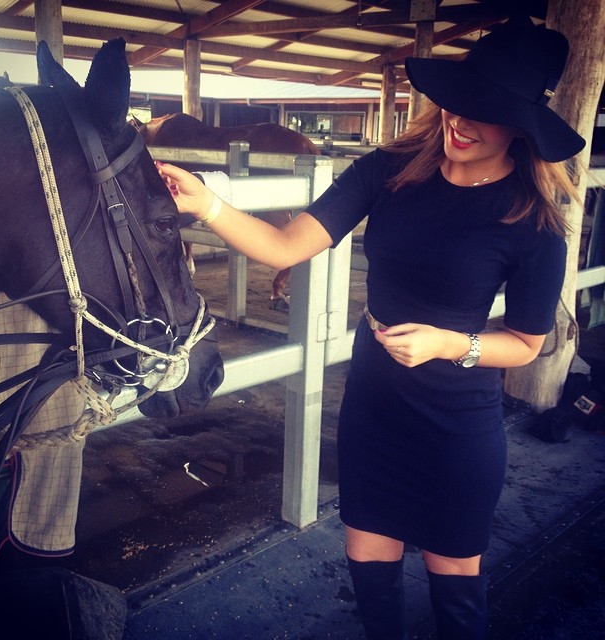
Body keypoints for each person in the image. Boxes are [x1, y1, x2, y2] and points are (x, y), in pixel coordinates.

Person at [157, 15, 585, 640]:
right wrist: (207, 205)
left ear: (522, 127)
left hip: (457, 423)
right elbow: (285, 246)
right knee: (368, 563)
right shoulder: (389, 169)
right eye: (457, 102)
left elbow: (526, 345)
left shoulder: (533, 221)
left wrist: (448, 344)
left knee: (454, 579)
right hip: (375, 404)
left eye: (486, 112)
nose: (460, 121)